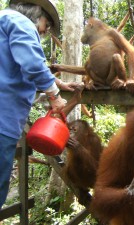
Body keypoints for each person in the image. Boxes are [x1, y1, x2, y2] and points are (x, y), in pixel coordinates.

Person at [0, 0, 79, 209]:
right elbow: (32, 64)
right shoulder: (20, 21)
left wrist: (55, 84)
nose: (44, 32)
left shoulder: (3, 22)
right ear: (37, 14)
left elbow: (13, 74)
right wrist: (54, 95)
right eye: (47, 25)